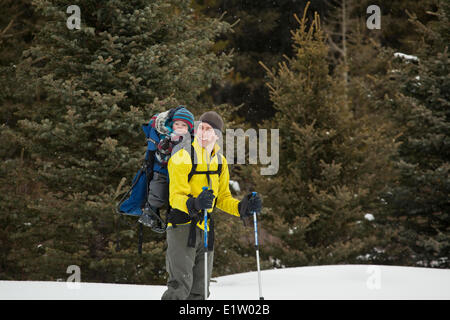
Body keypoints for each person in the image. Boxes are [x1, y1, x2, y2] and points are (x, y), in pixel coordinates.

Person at [161, 110, 262, 300]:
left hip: (205, 229)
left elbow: (222, 198)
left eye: (208, 129)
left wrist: (243, 207)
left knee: (200, 290)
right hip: (182, 227)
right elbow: (175, 197)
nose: (202, 132)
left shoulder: (220, 162)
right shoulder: (182, 157)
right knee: (179, 288)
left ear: (216, 135)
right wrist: (195, 203)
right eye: (200, 127)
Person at [138, 106, 195, 232]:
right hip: (163, 170)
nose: (179, 127)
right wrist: (165, 148)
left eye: (184, 125)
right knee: (156, 190)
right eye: (177, 124)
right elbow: (159, 156)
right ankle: (151, 212)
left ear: (189, 128)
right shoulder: (167, 136)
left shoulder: (190, 141)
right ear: (172, 124)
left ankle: (173, 217)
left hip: (179, 174)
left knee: (176, 196)